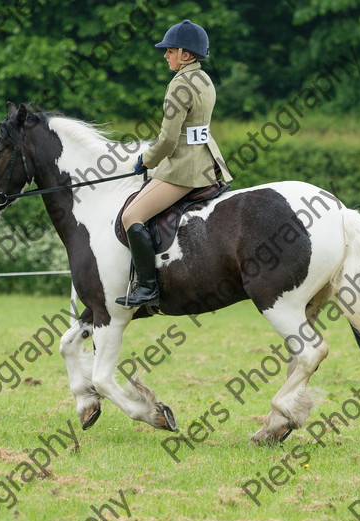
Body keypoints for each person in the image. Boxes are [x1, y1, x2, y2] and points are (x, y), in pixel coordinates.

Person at [117, 19, 232, 308]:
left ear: (186, 54)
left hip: (184, 170)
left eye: (170, 50)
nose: (165, 55)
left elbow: (168, 140)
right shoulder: (204, 79)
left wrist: (146, 159)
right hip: (208, 161)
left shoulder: (179, 85)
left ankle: (146, 287)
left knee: (131, 216)